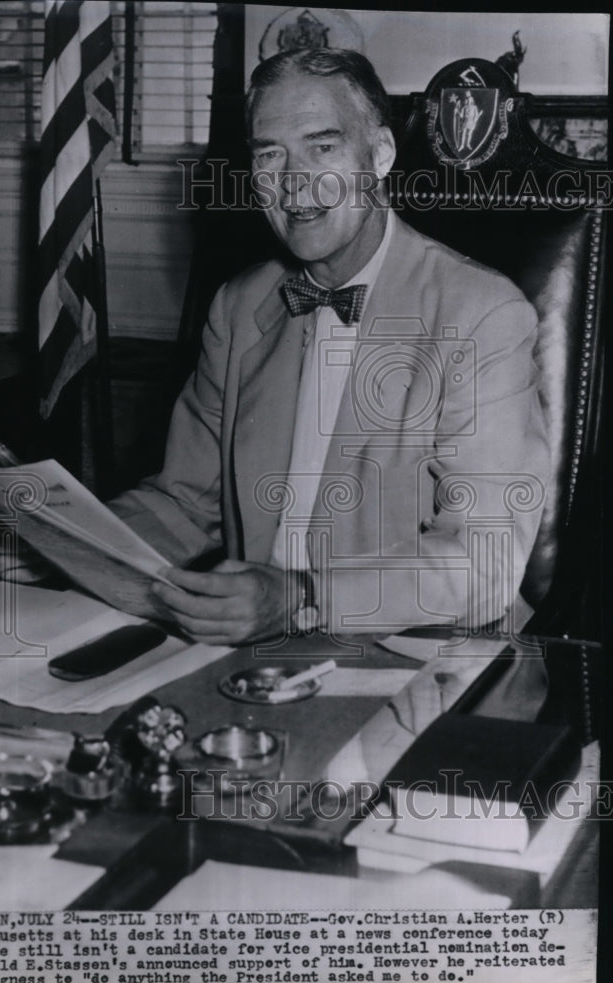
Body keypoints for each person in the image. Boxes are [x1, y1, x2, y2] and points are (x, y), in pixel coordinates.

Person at [107, 47, 550, 647]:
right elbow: (184, 503)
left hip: (424, 656)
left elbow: (485, 561)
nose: (295, 186)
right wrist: (64, 544)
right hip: (257, 658)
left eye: (324, 147)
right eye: (270, 155)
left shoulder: (482, 314)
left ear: (381, 156)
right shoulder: (239, 307)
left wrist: (303, 599)